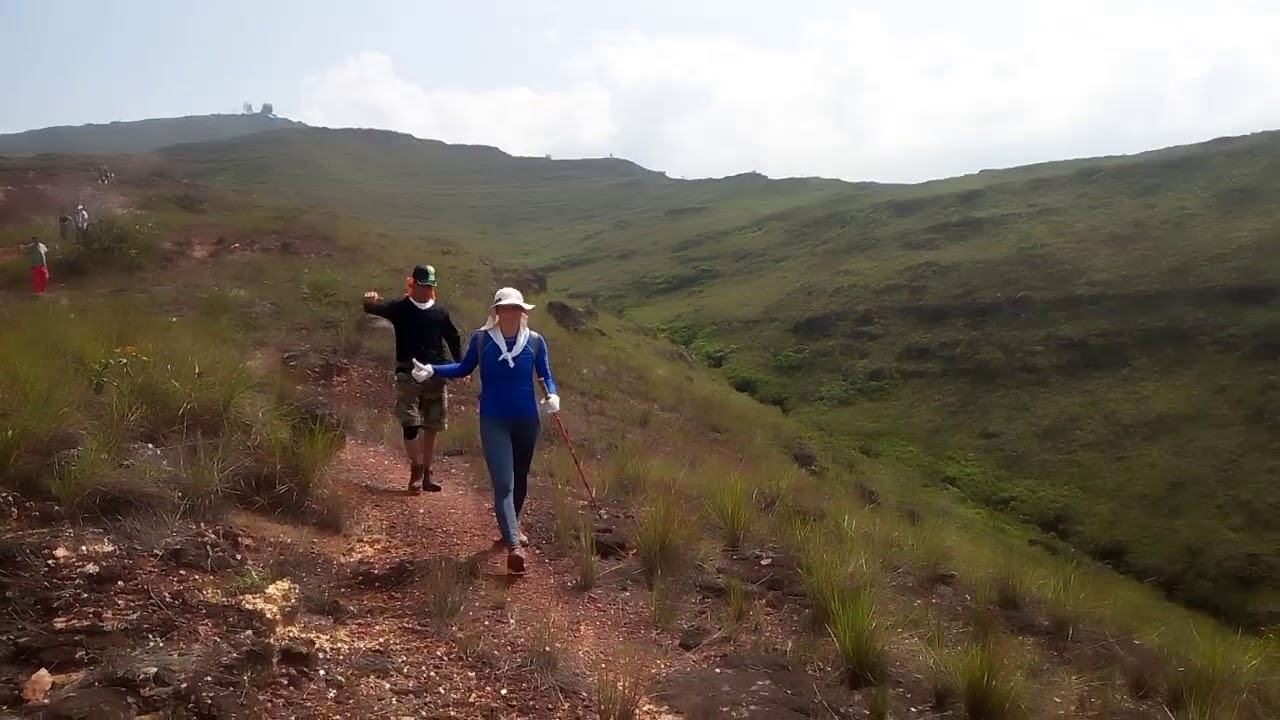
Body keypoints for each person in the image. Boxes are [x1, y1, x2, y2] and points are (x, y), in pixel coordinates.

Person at [414, 287, 560, 575]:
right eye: (505, 308)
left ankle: (511, 528)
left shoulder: (535, 341)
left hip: (527, 420)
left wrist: (552, 395)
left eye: (516, 308)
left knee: (520, 478)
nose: (511, 312)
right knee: (504, 482)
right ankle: (514, 546)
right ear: (496, 311)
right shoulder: (483, 340)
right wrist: (434, 369)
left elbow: (545, 375)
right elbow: (464, 368)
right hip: (493, 420)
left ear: (523, 312)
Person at [361, 264, 463, 493]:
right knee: (410, 422)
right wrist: (369, 299)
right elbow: (373, 307)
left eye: (431, 287)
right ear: (413, 284)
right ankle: (416, 469)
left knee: (432, 425)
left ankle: (427, 473)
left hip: (436, 372)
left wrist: (461, 367)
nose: (427, 290)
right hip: (408, 372)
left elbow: (453, 338)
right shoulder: (400, 308)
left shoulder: (440, 312)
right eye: (423, 286)